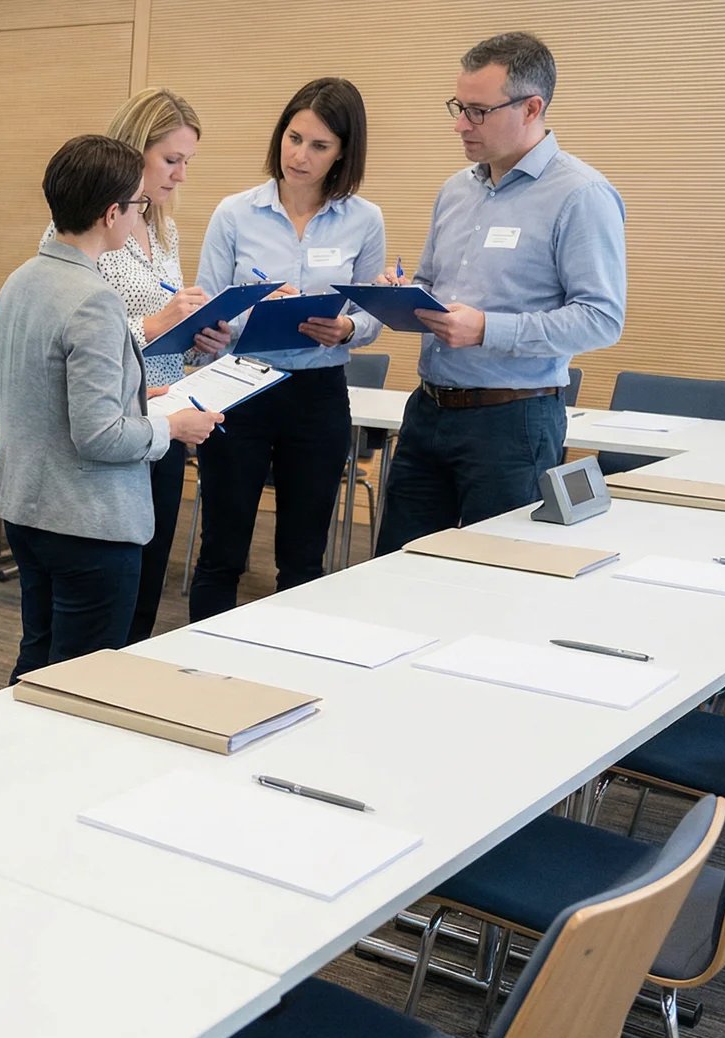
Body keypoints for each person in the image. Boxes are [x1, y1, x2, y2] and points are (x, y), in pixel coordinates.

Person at [375, 32, 625, 554]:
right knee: (397, 566)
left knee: (493, 573)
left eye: (478, 112)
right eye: (459, 107)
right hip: (427, 410)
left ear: (532, 108)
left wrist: (488, 329)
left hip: (513, 422)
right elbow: (431, 281)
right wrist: (403, 294)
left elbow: (601, 318)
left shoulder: (581, 195)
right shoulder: (456, 189)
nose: (461, 124)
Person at [0, 136, 220, 681]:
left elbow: (17, 396)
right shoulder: (95, 300)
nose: (142, 214)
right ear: (112, 214)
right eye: (137, 205)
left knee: (37, 659)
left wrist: (138, 398)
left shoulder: (20, 281)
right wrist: (171, 427)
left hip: (27, 506)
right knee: (82, 680)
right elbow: (99, 437)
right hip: (86, 519)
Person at [187, 77, 385, 621]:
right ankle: (200, 658)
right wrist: (231, 321)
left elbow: (371, 311)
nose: (300, 156)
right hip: (239, 387)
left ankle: (289, 657)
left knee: (303, 558)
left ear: (343, 152)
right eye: (294, 138)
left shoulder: (365, 220)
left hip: (318, 394)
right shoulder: (235, 213)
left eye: (319, 146)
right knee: (222, 550)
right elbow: (207, 304)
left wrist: (347, 329)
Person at [43, 88, 207, 644]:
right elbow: (74, 331)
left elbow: (165, 331)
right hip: (110, 425)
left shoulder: (164, 228)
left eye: (187, 161)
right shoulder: (80, 229)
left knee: (147, 578)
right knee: (104, 593)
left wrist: (197, 337)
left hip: (163, 415)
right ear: (135, 152)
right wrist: (155, 326)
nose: (181, 175)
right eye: (171, 159)